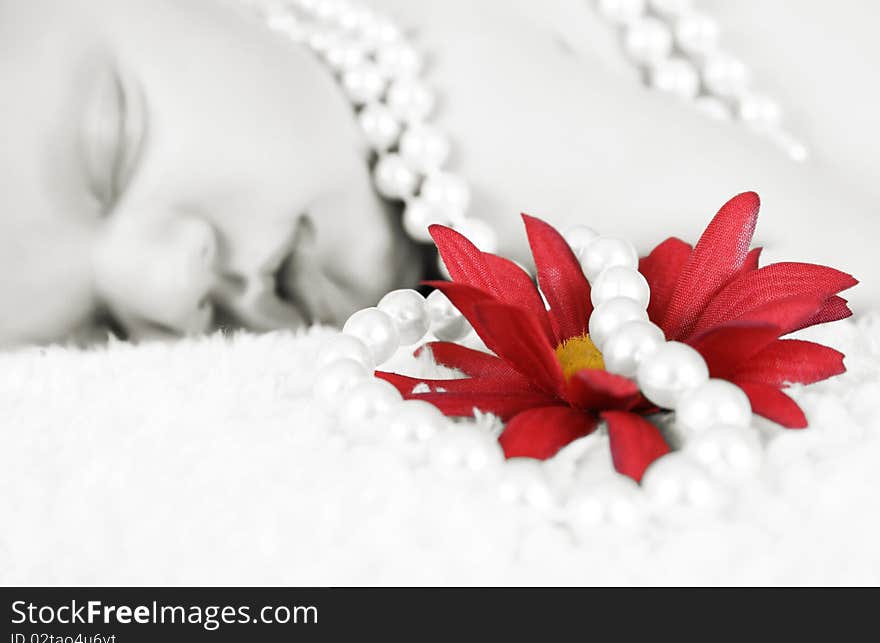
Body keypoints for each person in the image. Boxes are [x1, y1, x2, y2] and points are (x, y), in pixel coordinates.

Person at [1, 0, 875, 346]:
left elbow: (848, 266)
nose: (163, 284)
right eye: (98, 327)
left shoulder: (463, 118)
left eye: (113, 145)